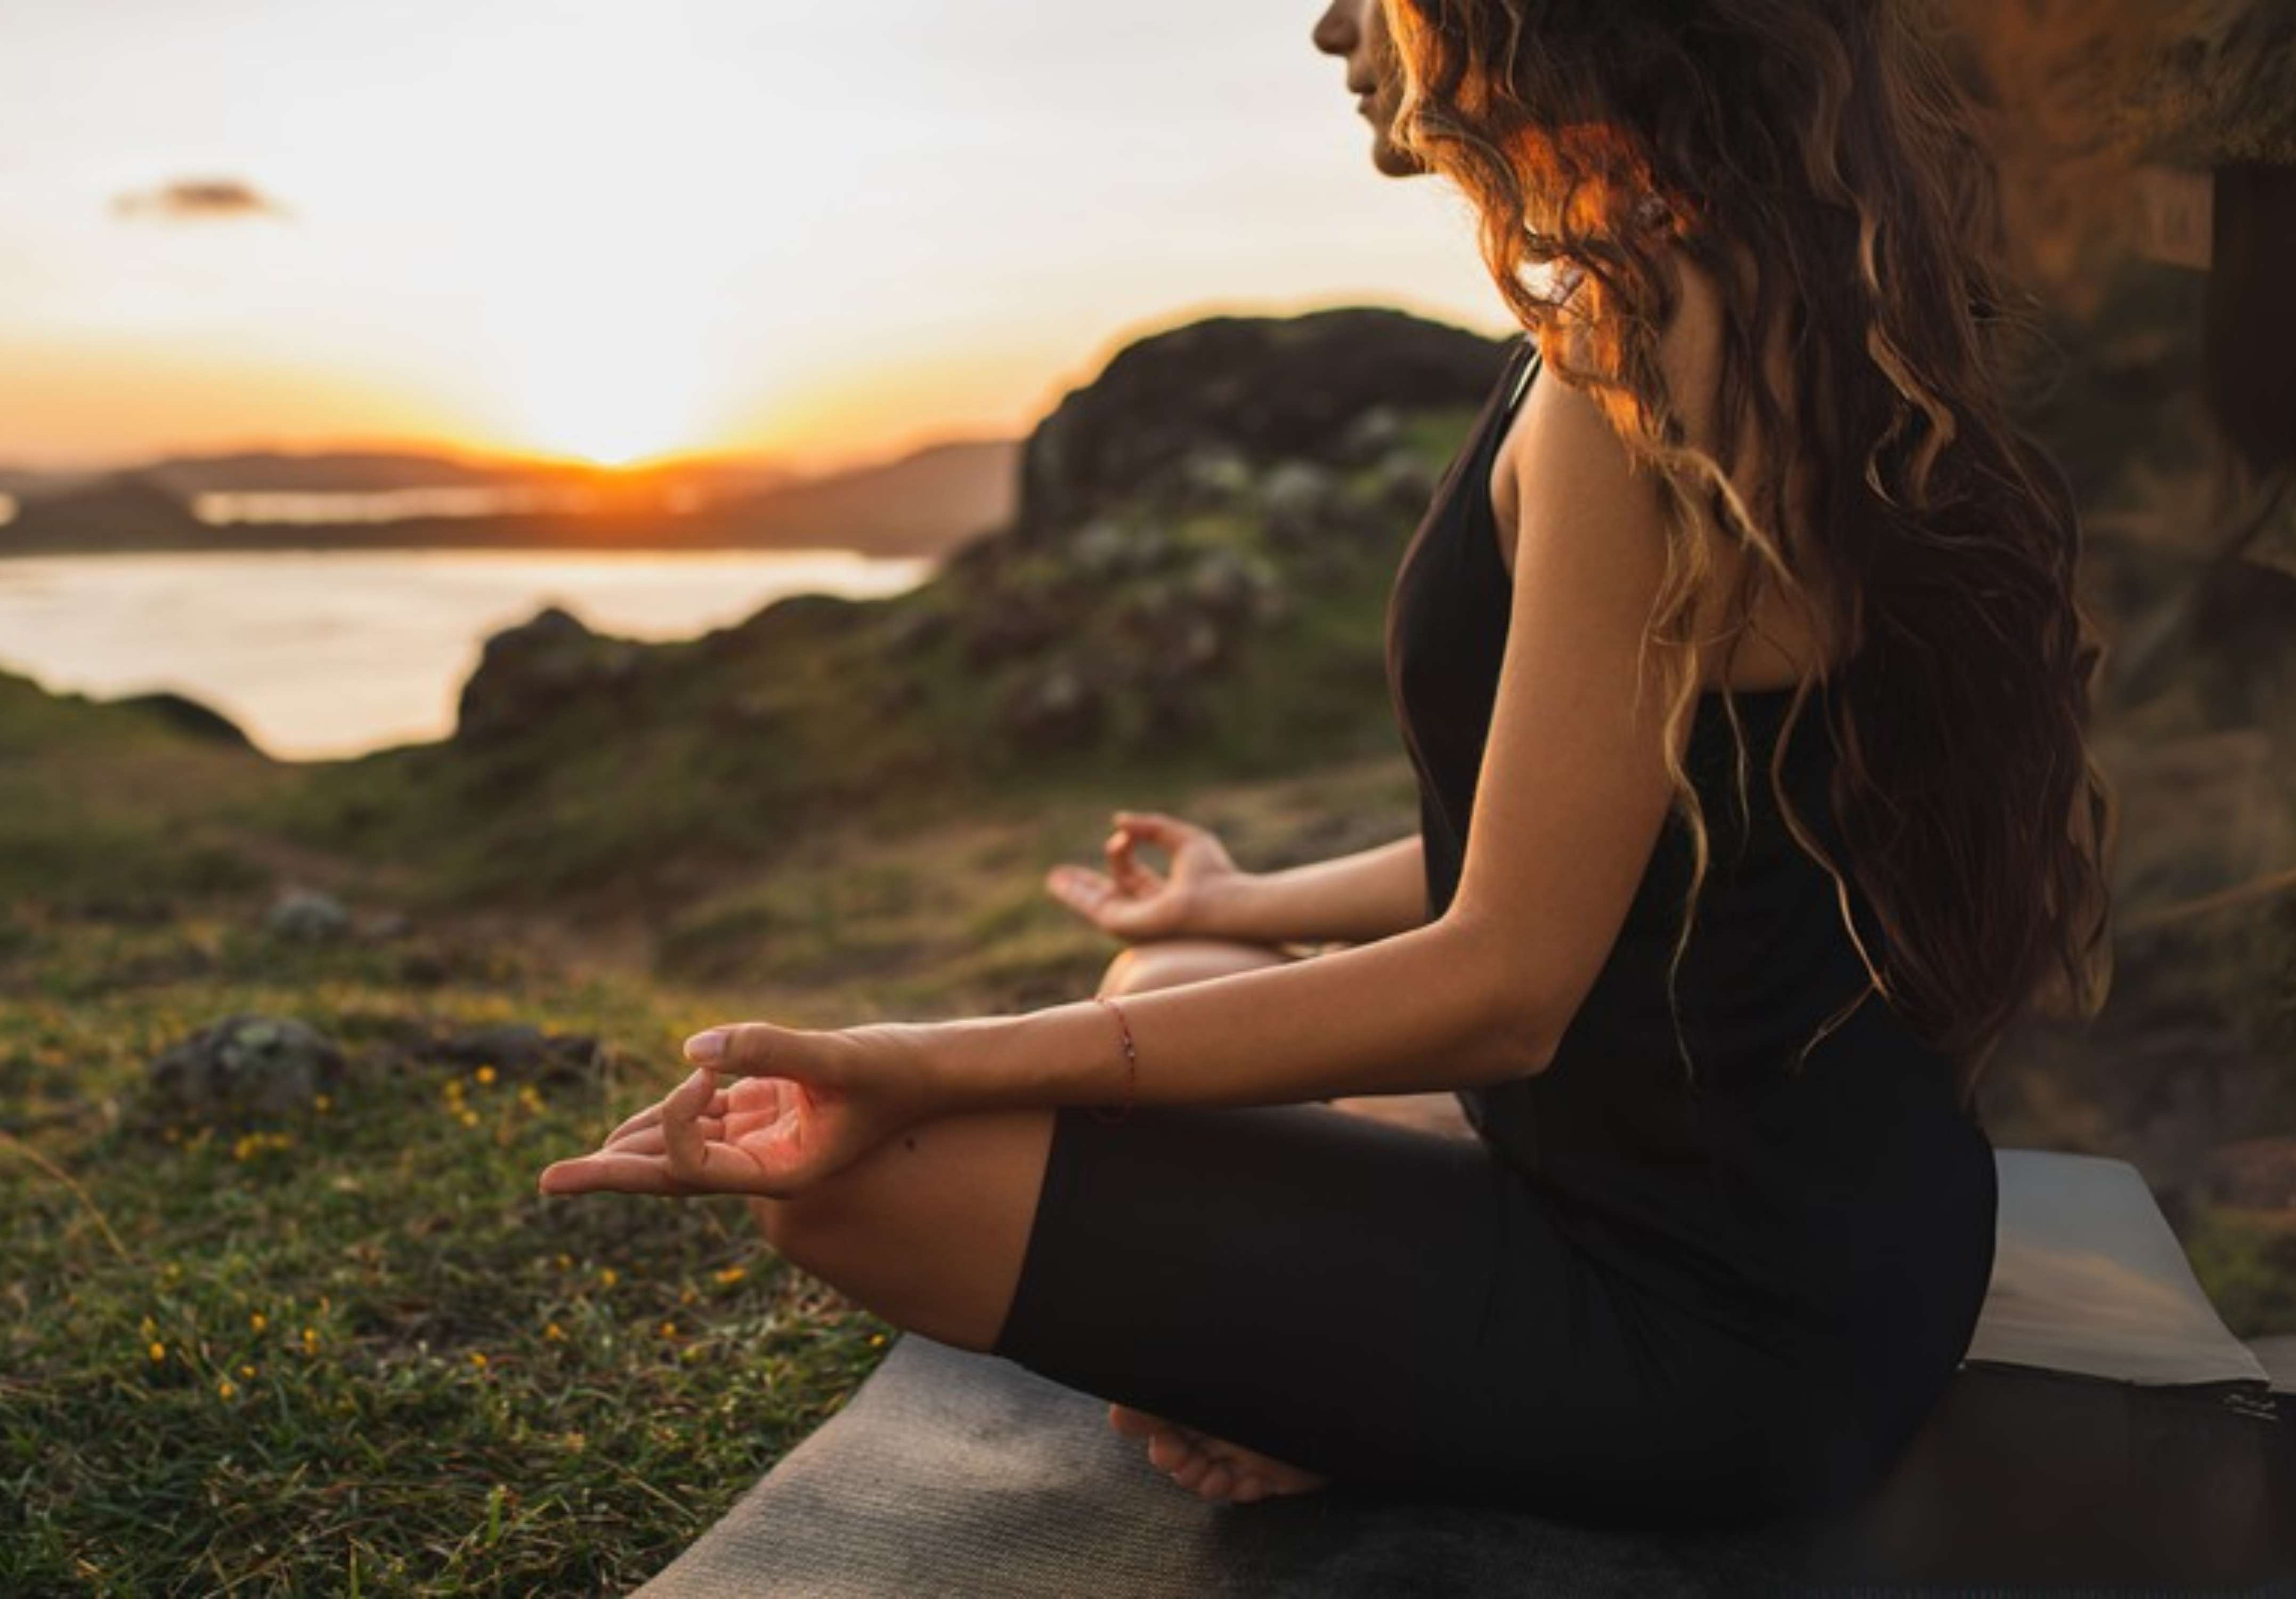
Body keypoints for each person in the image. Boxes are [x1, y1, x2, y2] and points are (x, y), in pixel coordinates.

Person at [538, 0, 2116, 1524]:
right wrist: (1254, 891)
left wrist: (915, 1058)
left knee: (856, 1176)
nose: (1328, 29)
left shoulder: (1649, 359)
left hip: (1720, 1320)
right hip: (1824, 1228)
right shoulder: (1710, 291)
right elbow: (1620, 846)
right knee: (1184, 974)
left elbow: (1505, 985)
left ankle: (1370, 1415)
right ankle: (1351, 1373)